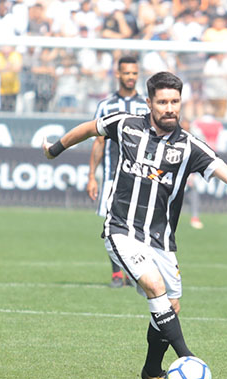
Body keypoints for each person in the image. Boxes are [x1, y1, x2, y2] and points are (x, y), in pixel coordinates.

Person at [43, 71, 227, 379]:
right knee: (154, 286)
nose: (169, 108)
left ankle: (151, 370)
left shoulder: (189, 146)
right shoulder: (125, 124)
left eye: (175, 101)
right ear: (149, 103)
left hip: (161, 240)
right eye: (162, 102)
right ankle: (189, 359)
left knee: (170, 306)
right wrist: (56, 149)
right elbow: (89, 129)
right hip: (121, 229)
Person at [87, 56, 150, 288]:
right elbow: (98, 142)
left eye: (134, 73)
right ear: (118, 74)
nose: (131, 77)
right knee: (112, 224)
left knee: (139, 224)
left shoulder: (146, 106)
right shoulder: (105, 106)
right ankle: (116, 273)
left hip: (140, 176)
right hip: (113, 175)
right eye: (127, 73)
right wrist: (92, 176)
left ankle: (134, 272)